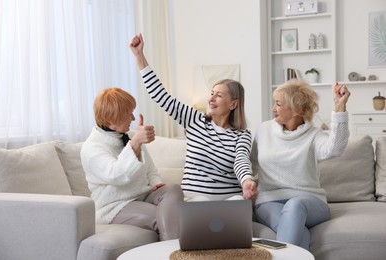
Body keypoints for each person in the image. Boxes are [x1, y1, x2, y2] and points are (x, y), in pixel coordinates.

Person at [129, 33, 257, 202]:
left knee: (238, 202)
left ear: (233, 104)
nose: (211, 99)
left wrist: (247, 180)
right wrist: (139, 56)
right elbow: (161, 96)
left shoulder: (242, 135)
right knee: (201, 203)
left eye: (218, 95)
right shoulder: (195, 120)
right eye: (211, 93)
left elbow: (241, 160)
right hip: (195, 199)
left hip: (227, 200)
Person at [250, 79, 351, 250]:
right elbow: (251, 163)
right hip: (269, 201)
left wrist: (339, 107)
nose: (273, 109)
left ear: (297, 109)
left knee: (295, 206)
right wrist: (245, 182)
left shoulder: (314, 135)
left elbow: (335, 148)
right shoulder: (264, 130)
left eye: (279, 104)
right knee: (298, 232)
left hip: (309, 201)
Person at [80, 87, 184, 241]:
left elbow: (149, 168)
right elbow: (117, 176)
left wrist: (156, 183)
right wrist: (135, 143)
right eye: (128, 115)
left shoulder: (130, 136)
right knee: (163, 217)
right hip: (115, 206)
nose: (133, 119)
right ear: (110, 120)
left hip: (143, 195)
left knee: (173, 189)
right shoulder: (92, 148)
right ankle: (172, 252)